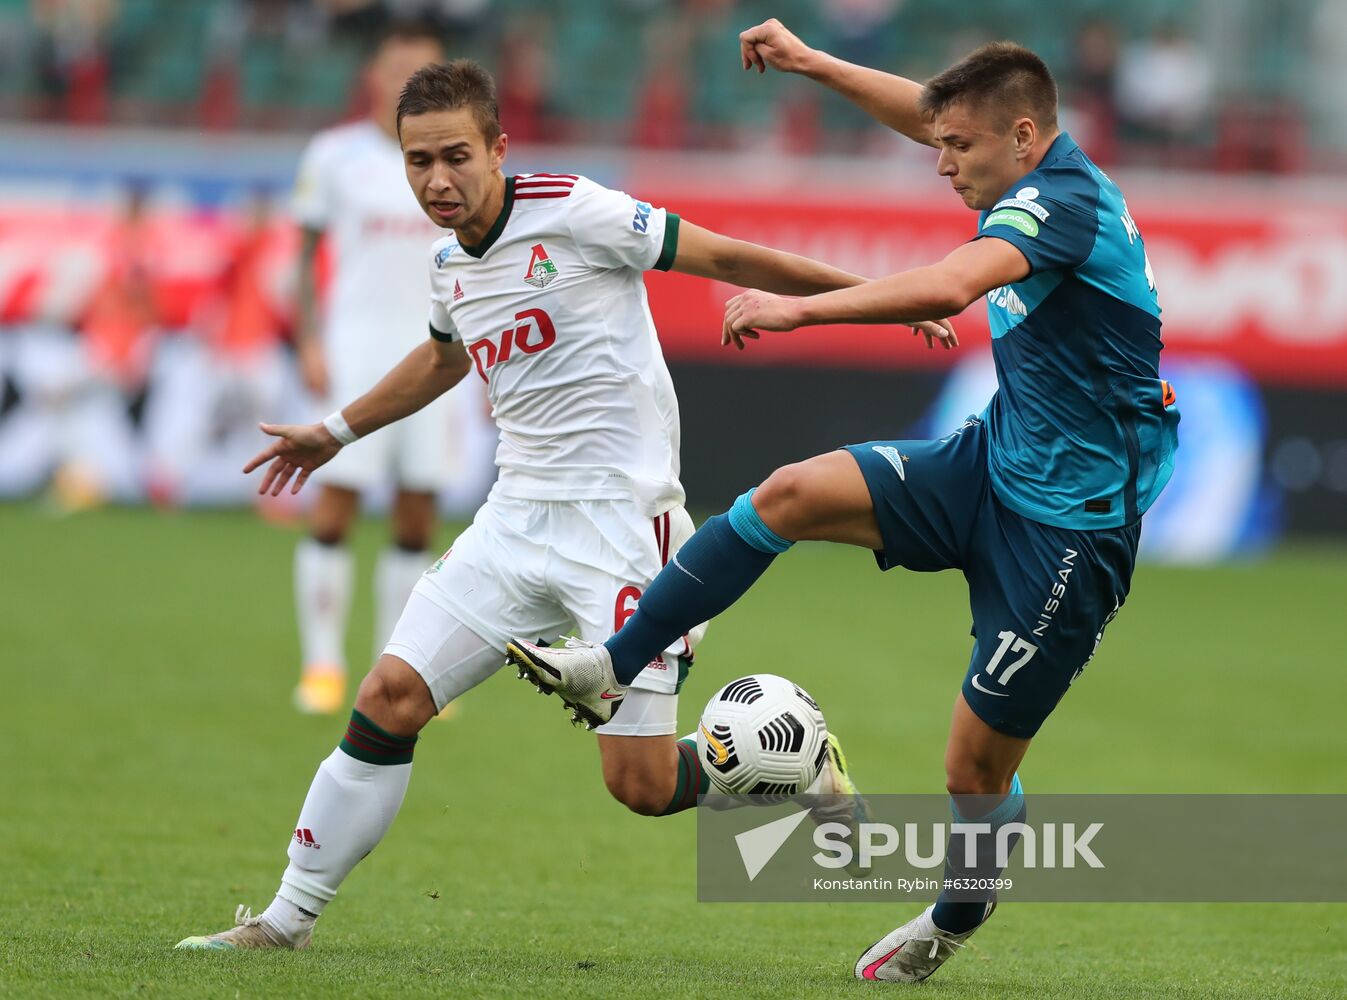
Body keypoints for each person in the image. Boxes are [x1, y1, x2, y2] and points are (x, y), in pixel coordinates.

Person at [174, 57, 954, 952]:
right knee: (389, 695)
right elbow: (440, 359)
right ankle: (284, 920)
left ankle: (796, 763)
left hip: (624, 530)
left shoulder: (577, 211)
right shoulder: (445, 266)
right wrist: (335, 431)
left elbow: (728, 254)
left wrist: (869, 303)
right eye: (417, 161)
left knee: (639, 784)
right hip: (513, 522)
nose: (437, 180)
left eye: (456, 156)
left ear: (499, 148)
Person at [511, 19, 1180, 984]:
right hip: (992, 465)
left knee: (971, 775)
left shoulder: (1061, 204)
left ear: (1024, 137)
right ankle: (610, 667)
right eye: (939, 146)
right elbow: (927, 111)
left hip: (1069, 535)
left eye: (960, 149)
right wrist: (811, 62)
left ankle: (950, 920)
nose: (940, 163)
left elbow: (950, 286)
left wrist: (799, 308)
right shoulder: (1019, 159)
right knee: (786, 493)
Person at [288, 20, 488, 715]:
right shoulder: (336, 155)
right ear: (373, 73)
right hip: (356, 351)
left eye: (421, 67)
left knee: (415, 516)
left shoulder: (458, 164)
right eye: (395, 64)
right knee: (336, 504)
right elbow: (303, 258)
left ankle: (395, 669)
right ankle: (320, 664)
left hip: (438, 354)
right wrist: (309, 340)